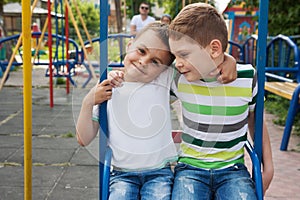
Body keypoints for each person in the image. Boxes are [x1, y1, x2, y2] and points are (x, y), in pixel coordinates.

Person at [77, 21, 237, 199]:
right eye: (141, 51)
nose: (143, 61)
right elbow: (84, 138)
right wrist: (88, 102)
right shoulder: (108, 86)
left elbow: (196, 64)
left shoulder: (164, 80)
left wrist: (228, 59)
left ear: (164, 68)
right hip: (122, 175)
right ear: (130, 45)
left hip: (159, 174)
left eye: (155, 61)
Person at [168, 3, 274, 200]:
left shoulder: (247, 77)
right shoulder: (178, 77)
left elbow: (255, 119)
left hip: (232, 171)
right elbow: (146, 87)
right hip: (190, 168)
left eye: (183, 55)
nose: (177, 62)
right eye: (175, 55)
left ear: (214, 49)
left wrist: (268, 166)